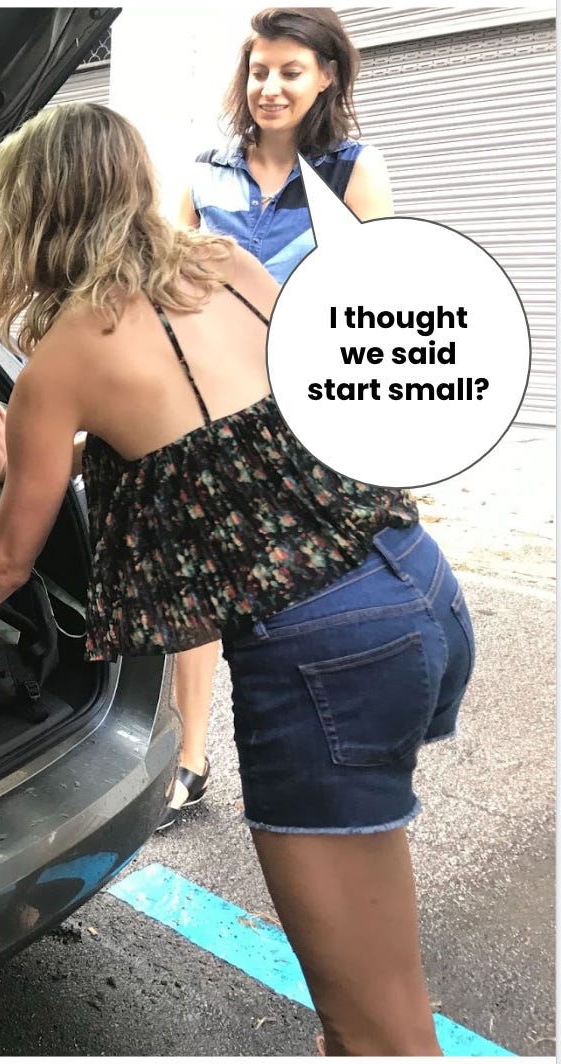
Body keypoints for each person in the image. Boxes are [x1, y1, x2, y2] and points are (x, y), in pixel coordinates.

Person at [0, 102, 472, 1055]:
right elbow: (227, 413)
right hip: (417, 587)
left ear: (34, 216)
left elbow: (8, 561)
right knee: (371, 960)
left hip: (323, 658)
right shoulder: (231, 266)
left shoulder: (60, 361)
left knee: (377, 1031)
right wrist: (31, 455)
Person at [166, 7, 396, 828]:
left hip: (305, 408)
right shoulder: (205, 169)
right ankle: (190, 762)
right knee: (197, 581)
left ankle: (320, 756)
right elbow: (168, 277)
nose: (269, 86)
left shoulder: (354, 170)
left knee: (298, 588)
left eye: (290, 72)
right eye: (260, 71)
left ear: (327, 77)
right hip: (207, 402)